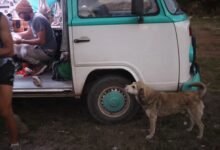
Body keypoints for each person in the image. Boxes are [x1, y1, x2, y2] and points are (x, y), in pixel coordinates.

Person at [14, 0, 57, 75]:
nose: (19, 17)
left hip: (47, 51)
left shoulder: (37, 19)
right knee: (17, 46)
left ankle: (40, 65)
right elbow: (29, 33)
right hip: (42, 48)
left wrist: (22, 41)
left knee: (22, 50)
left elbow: (41, 41)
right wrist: (13, 35)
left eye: (19, 14)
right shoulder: (32, 18)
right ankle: (43, 63)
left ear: (25, 11)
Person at [0, 12, 21, 150]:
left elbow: (9, 49)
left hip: (3, 66)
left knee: (4, 110)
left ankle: (15, 143)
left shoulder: (1, 19)